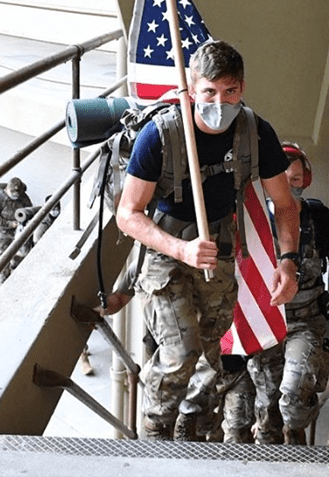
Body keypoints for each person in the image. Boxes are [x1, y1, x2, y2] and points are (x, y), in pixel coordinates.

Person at [100, 40, 300, 441]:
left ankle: (193, 437)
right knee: (180, 354)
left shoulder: (255, 131)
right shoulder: (160, 136)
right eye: (209, 91)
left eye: (230, 92)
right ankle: (155, 434)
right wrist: (179, 249)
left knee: (212, 360)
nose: (219, 102)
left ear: (242, 88)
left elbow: (285, 203)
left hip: (218, 252)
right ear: (192, 90)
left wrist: (288, 261)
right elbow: (128, 214)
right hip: (167, 251)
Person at [245, 142, 329, 445]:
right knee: (266, 407)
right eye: (283, 180)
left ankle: (295, 437)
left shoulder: (321, 218)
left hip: (306, 323)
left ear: (305, 181)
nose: (290, 186)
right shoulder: (253, 222)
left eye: (296, 180)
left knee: (293, 398)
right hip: (266, 322)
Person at [0, 176, 33, 282]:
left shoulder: (22, 196)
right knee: (2, 259)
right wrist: (10, 224)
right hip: (2, 231)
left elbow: (29, 209)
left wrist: (24, 221)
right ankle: (4, 278)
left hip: (18, 229)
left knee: (23, 253)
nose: (16, 196)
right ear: (8, 189)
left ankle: (15, 267)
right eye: (13, 193)